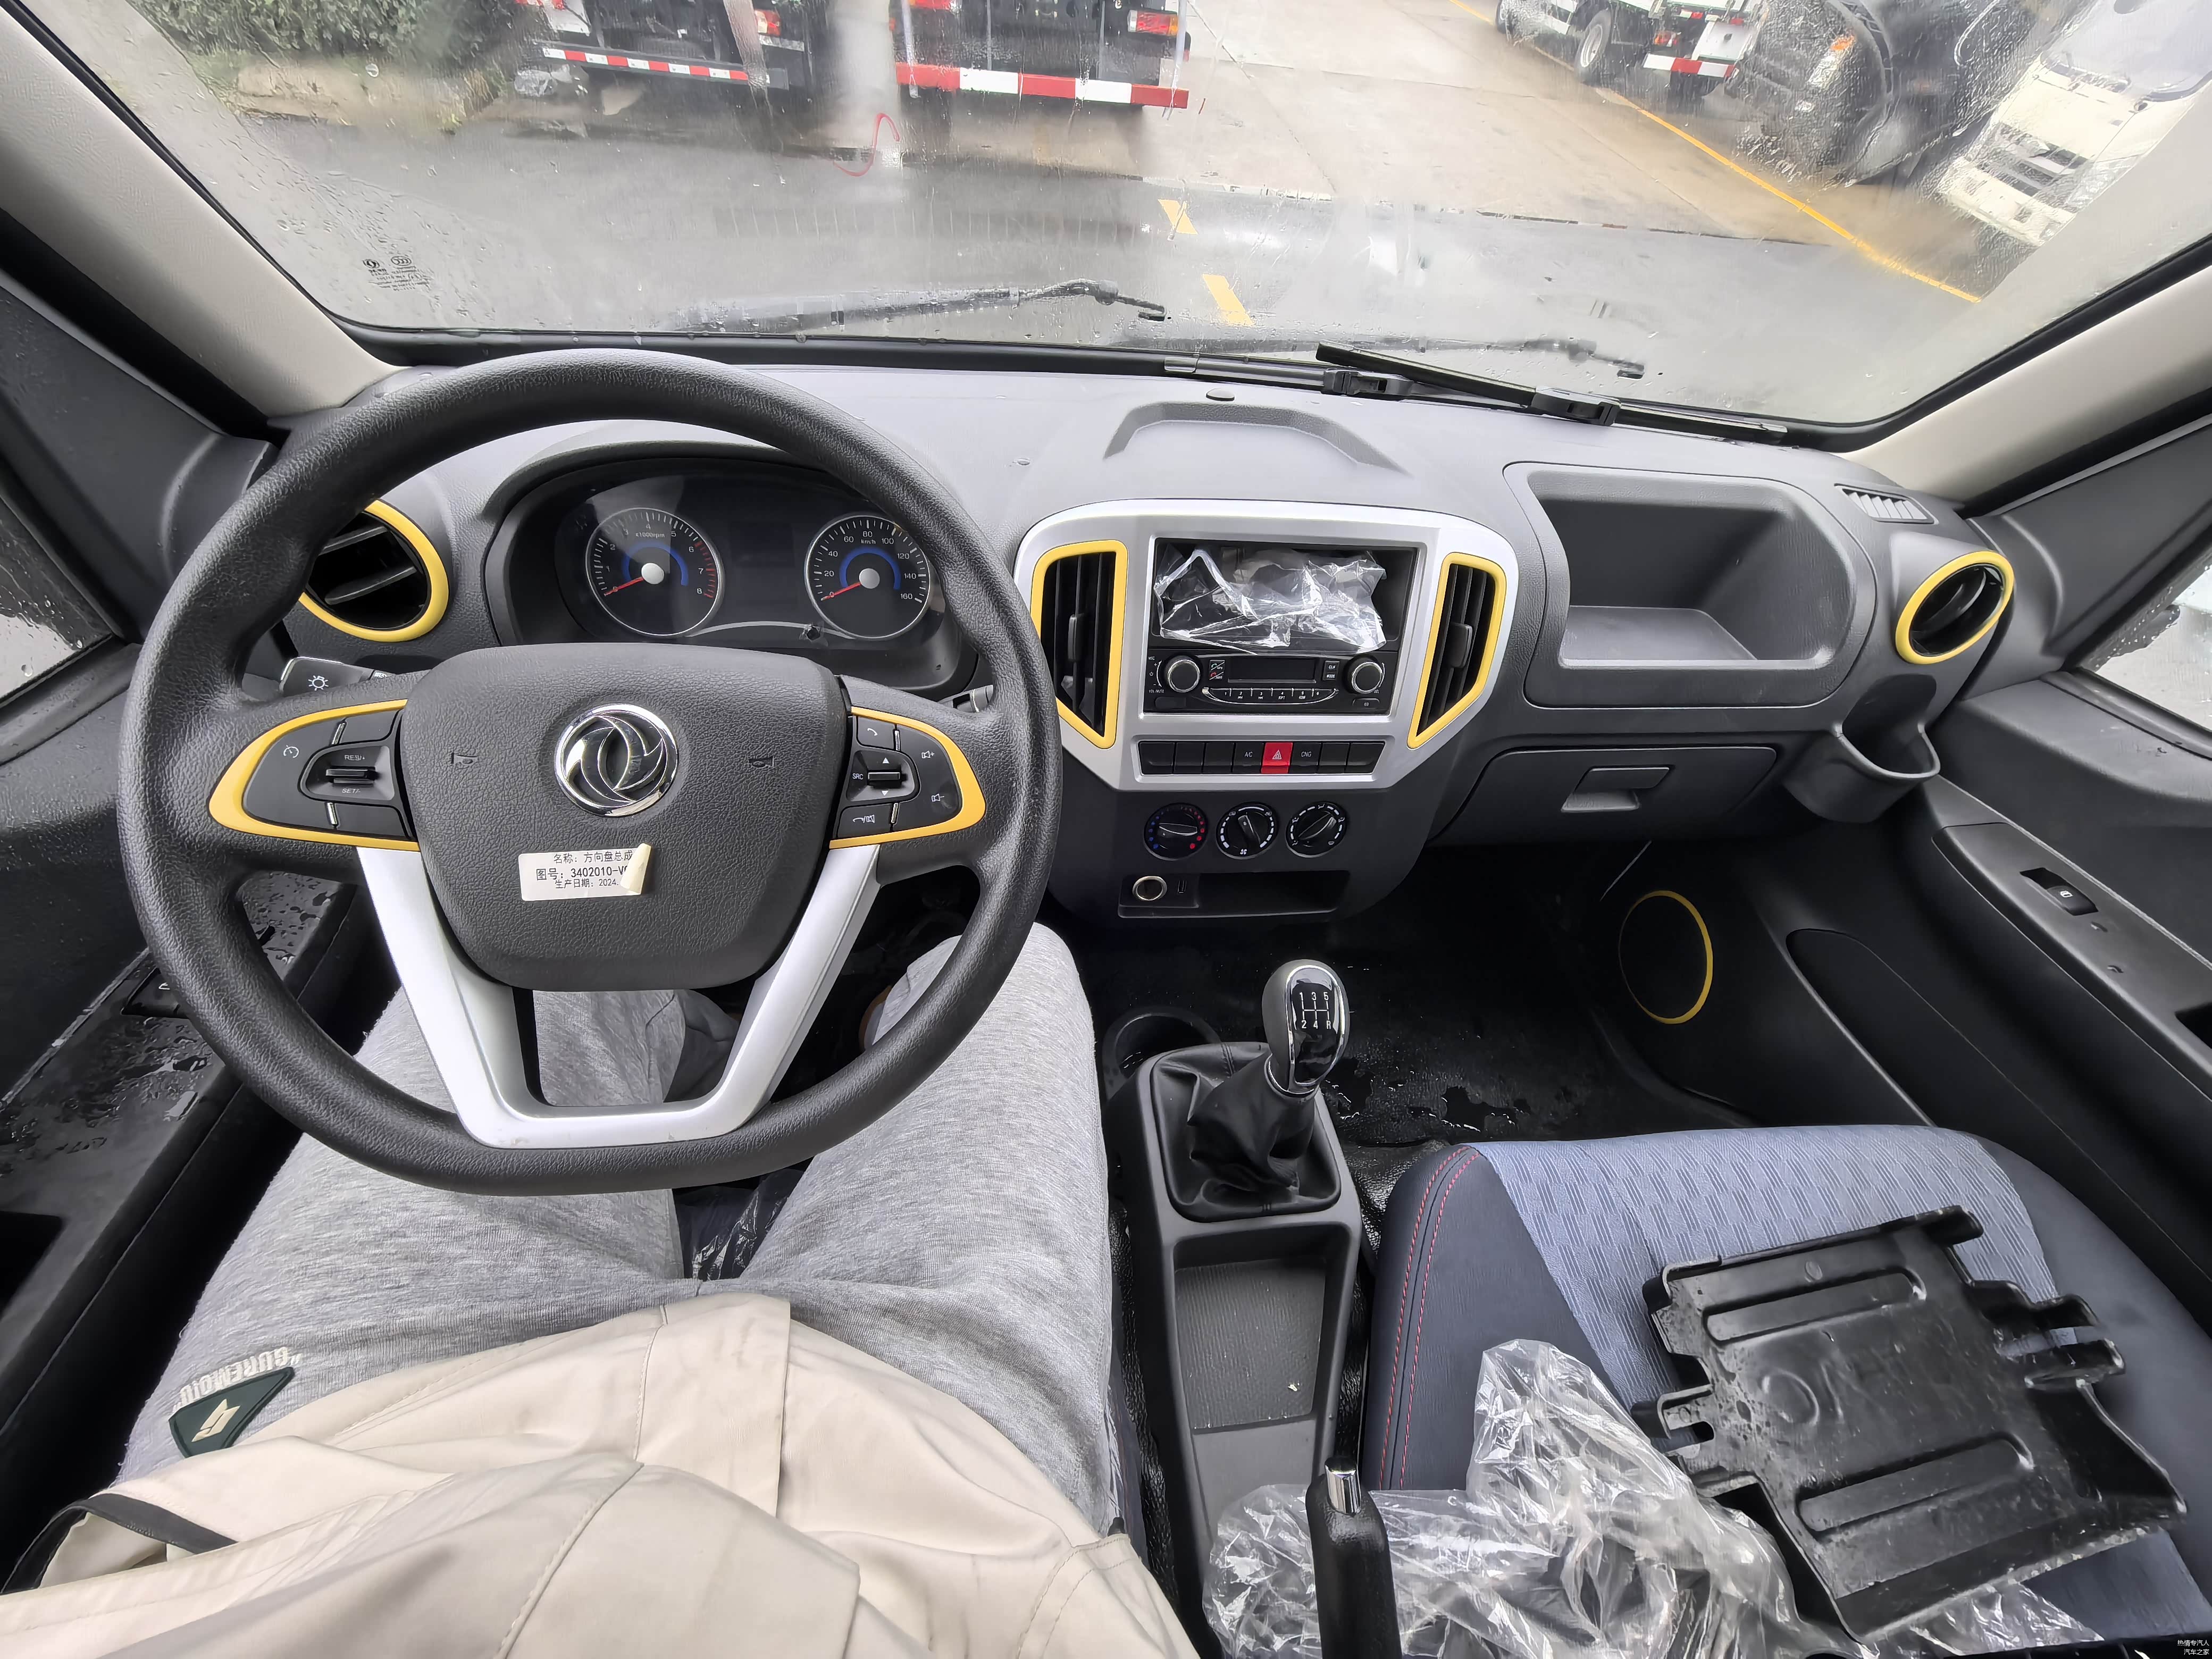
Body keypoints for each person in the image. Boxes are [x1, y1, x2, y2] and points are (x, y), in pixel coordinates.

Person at [0, 927, 1192, 1657]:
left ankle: (708, 1039)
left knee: (537, 955)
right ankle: (822, 1032)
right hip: (946, 1539)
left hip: (312, 1495)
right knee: (1005, 965)